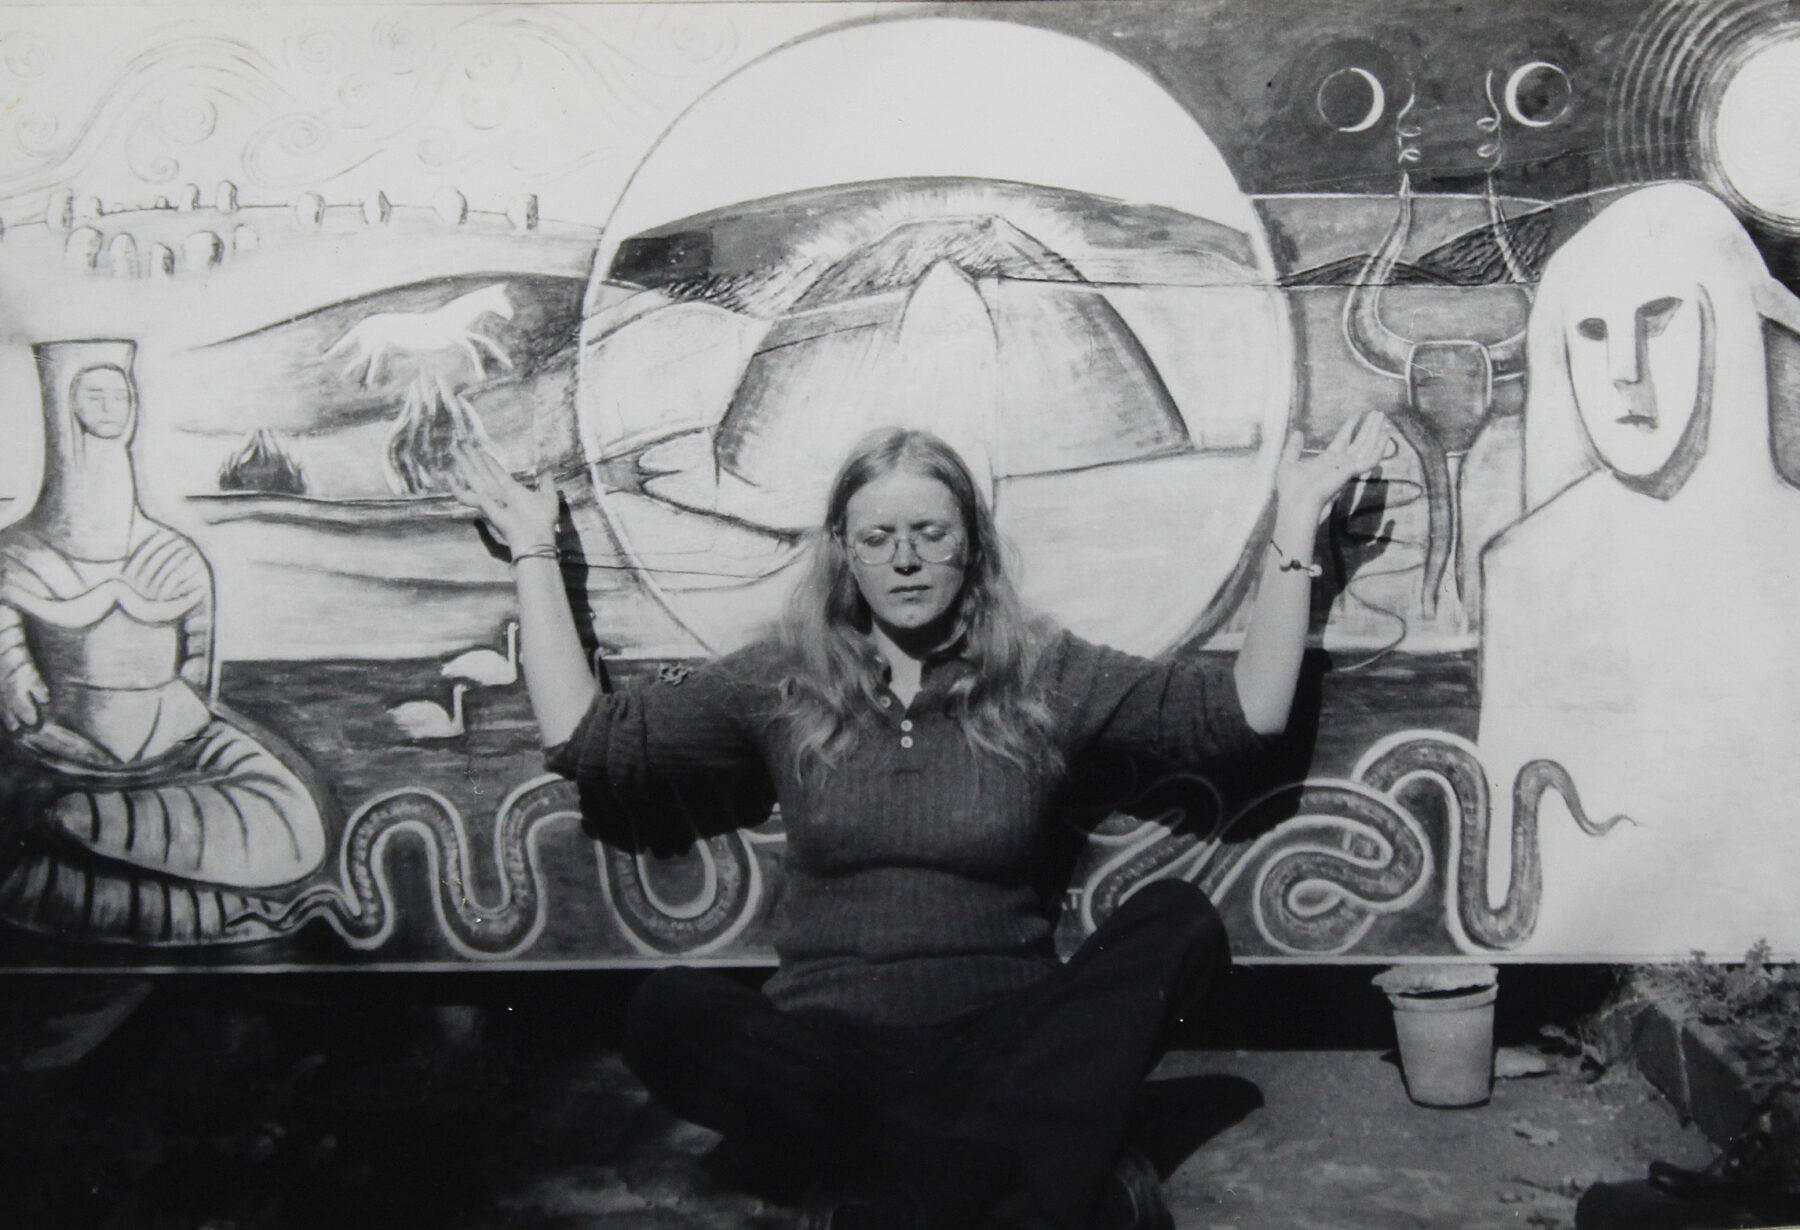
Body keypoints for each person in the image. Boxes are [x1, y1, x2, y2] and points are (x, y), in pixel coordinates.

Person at [450, 413, 1383, 1229]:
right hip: (828, 1053)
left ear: (970, 545)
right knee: (668, 1013)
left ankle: (898, 1186)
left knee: (1179, 924)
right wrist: (535, 548)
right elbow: (590, 742)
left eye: (929, 533)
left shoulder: (1045, 674)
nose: (904, 559)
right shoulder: (786, 679)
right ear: (843, 553)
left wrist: (1296, 528)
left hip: (1005, 1041)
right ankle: (1028, 1181)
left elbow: (1242, 718)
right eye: (878, 536)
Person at [0, 341, 327, 945]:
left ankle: (85, 833)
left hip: (177, 750)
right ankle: (73, 832)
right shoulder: (15, 555)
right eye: (93, 394)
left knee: (293, 825)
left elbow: (199, 675)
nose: (110, 406)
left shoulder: (174, 555)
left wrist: (179, 736)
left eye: (119, 393)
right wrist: (14, 671)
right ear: (62, 407)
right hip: (55, 752)